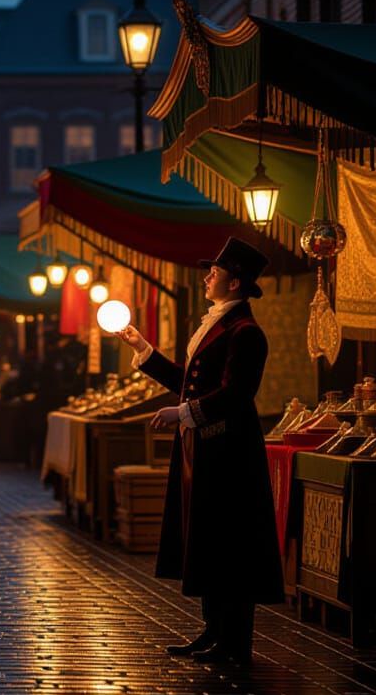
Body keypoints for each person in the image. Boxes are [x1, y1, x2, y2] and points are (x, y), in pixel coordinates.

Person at [114, 237, 283, 667]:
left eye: (216, 271)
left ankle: (233, 640)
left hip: (230, 450)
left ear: (235, 281)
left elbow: (235, 394)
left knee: (230, 543)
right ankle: (213, 630)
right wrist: (142, 349)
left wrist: (182, 413)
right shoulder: (219, 325)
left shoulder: (246, 332)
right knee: (207, 539)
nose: (207, 276)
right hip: (205, 448)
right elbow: (188, 380)